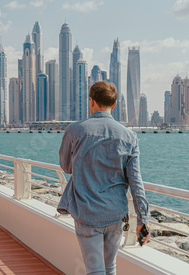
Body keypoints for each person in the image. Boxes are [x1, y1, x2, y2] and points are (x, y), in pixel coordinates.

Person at [57, 81, 150, 275]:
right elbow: (136, 181)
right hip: (115, 213)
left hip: (87, 212)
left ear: (91, 101)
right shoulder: (129, 137)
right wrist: (142, 218)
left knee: (95, 270)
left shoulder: (74, 130)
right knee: (110, 267)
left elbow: (66, 167)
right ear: (114, 105)